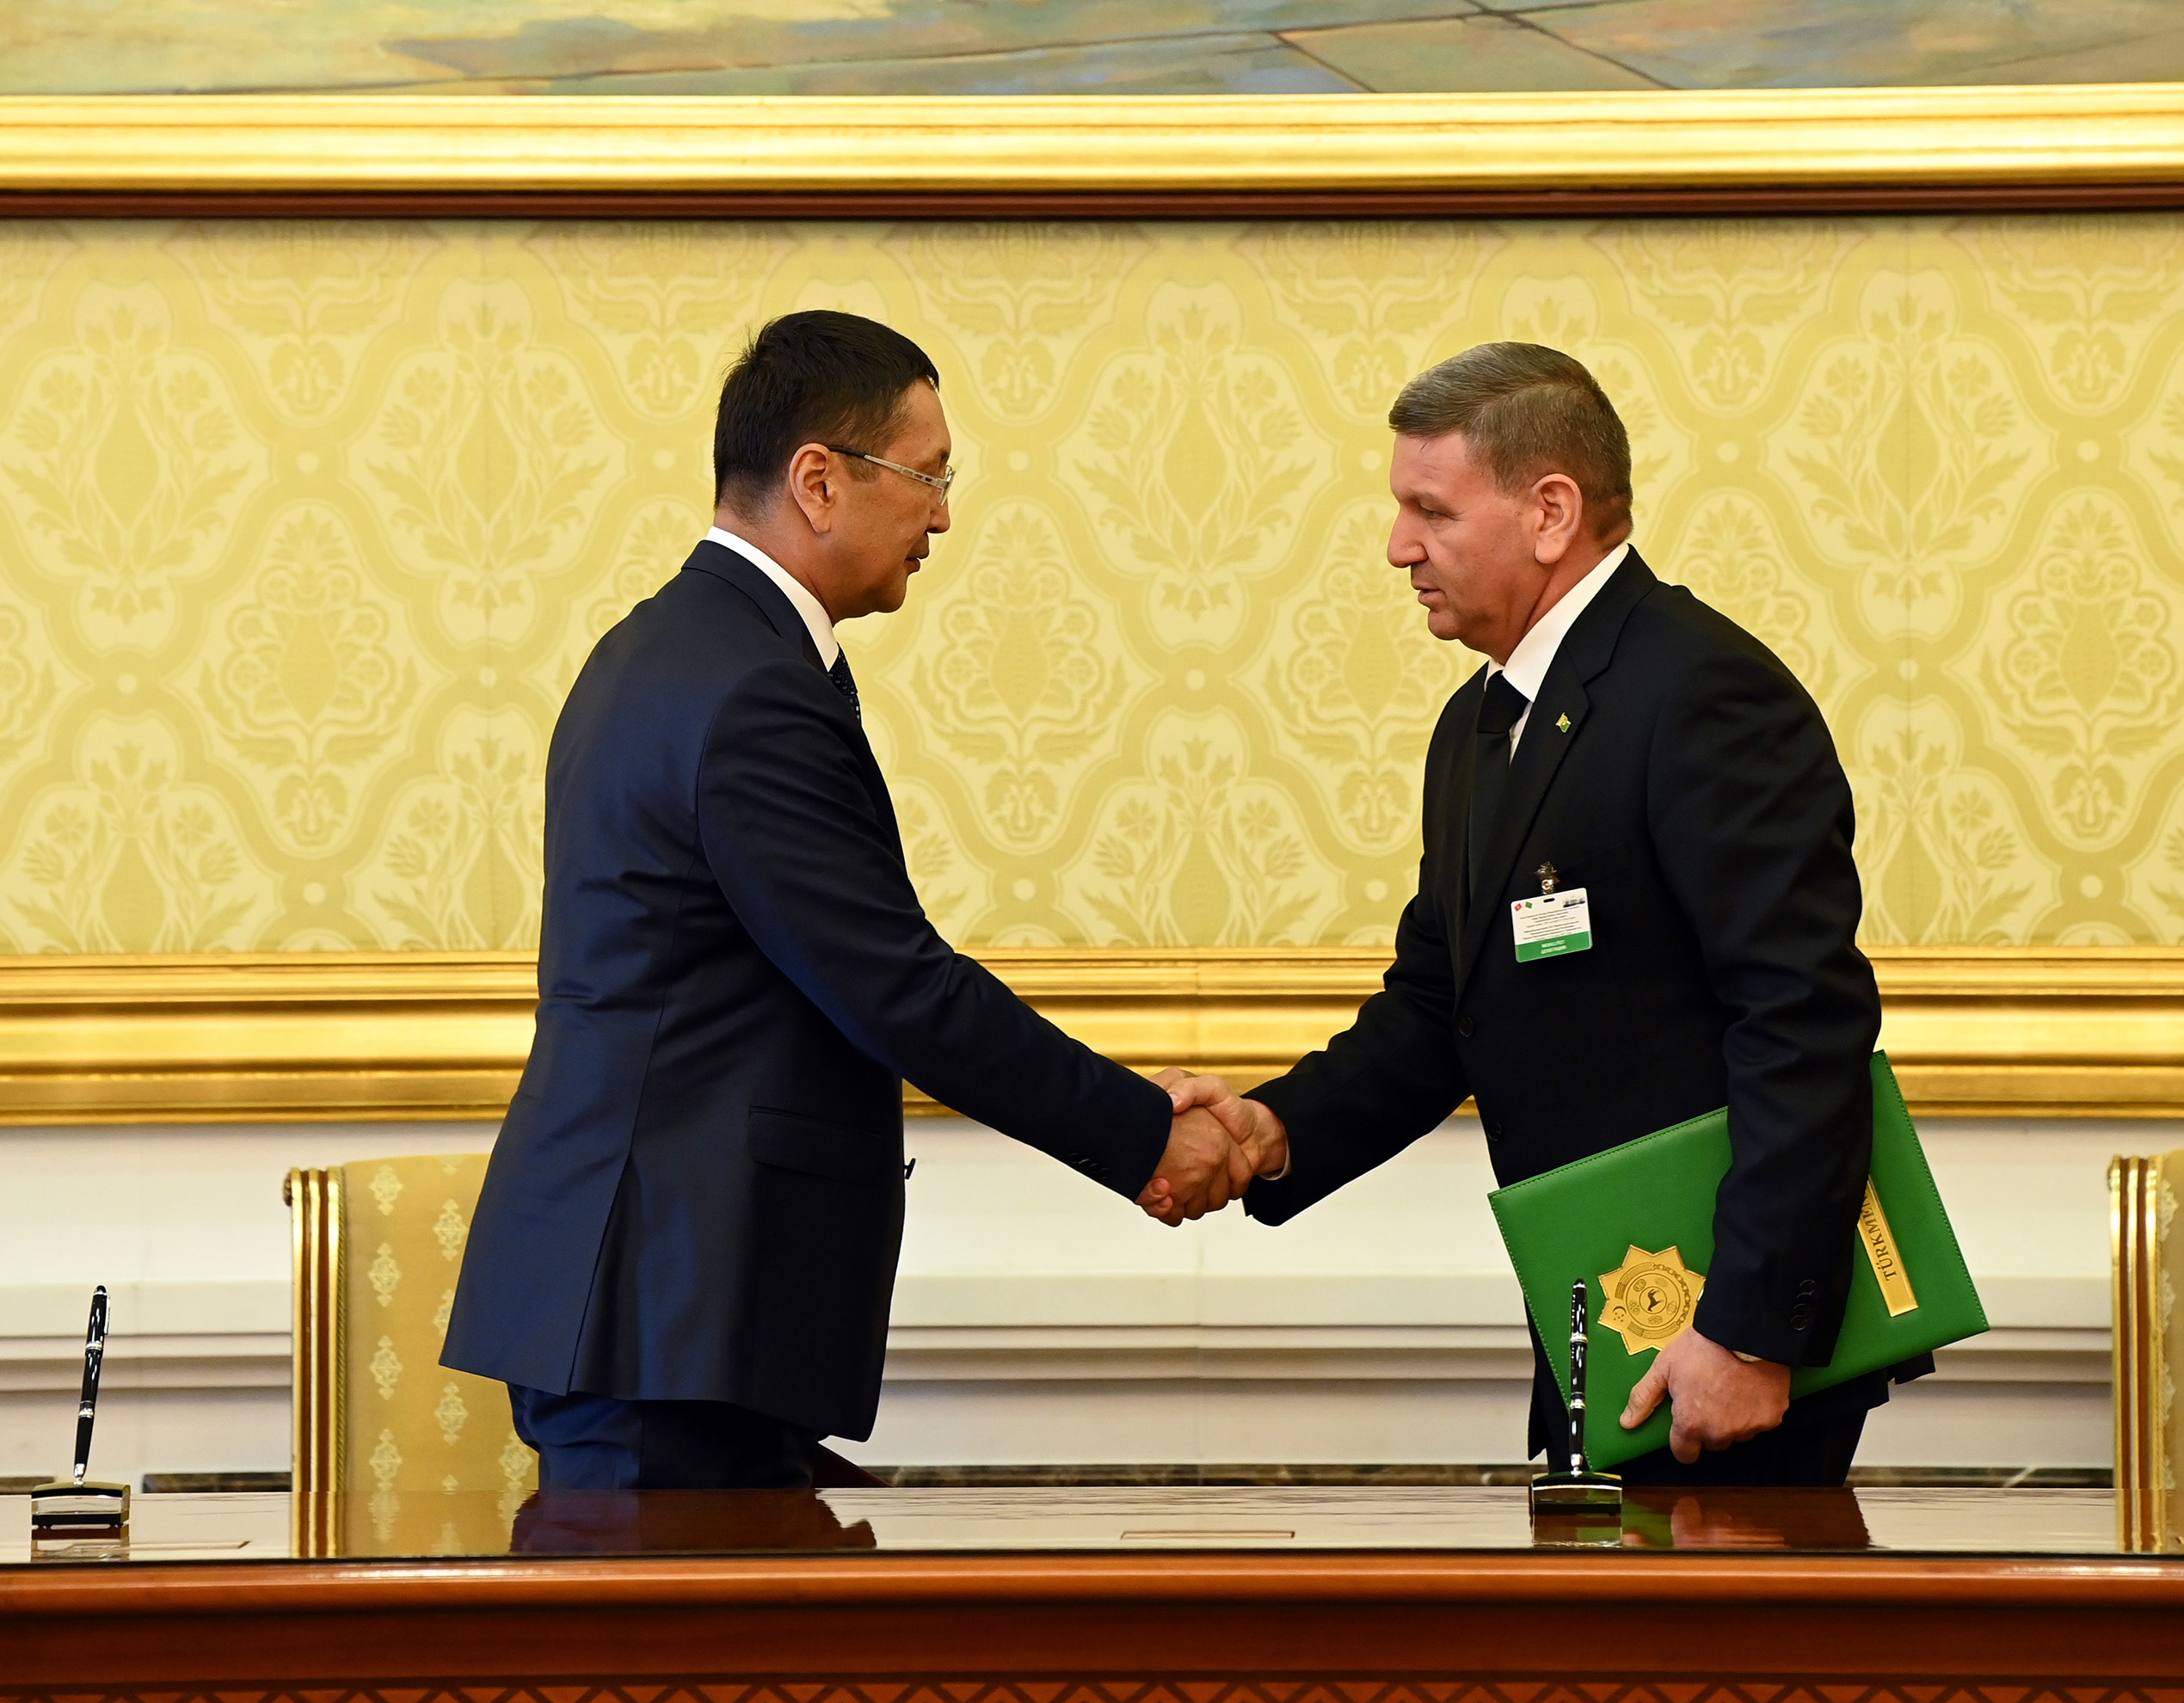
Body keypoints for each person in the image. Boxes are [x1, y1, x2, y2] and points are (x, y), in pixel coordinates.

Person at [443, 310, 1256, 1491]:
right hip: (667, 1306)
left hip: (669, 1301)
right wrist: (1143, 1132)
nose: (943, 516)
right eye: (928, 476)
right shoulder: (749, 690)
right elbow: (896, 987)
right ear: (818, 481)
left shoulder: (671, 648)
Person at [1172, 341, 1923, 1485]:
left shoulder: (1703, 694)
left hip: (1723, 1345)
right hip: (1608, 1314)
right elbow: (1439, 1009)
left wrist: (1749, 1331)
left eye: (1432, 511)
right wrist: (1274, 1133)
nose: (1398, 547)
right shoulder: (1479, 728)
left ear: (1551, 512)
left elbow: (1801, 1025)